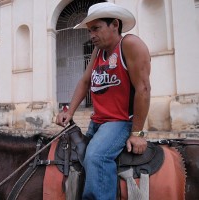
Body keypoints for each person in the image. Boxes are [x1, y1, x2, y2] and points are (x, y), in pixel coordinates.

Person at [55, 2, 151, 200]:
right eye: (90, 30)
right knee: (75, 155)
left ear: (115, 24)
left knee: (96, 157)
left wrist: (138, 133)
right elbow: (84, 81)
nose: (91, 35)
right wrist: (70, 112)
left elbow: (143, 88)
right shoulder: (98, 52)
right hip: (97, 122)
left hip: (120, 122)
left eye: (96, 28)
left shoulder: (130, 45)